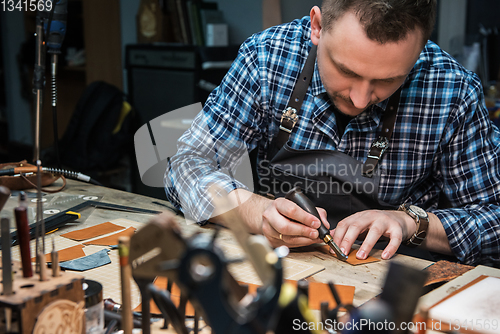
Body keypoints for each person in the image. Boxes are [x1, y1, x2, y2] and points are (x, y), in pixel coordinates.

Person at [165, 0, 500, 267]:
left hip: (387, 287)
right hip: (279, 269)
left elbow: (493, 220)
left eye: (388, 80)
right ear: (317, 26)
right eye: (346, 71)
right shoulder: (266, 58)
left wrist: (411, 223)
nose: (359, 98)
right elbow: (186, 166)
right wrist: (256, 212)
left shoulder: (452, 90)